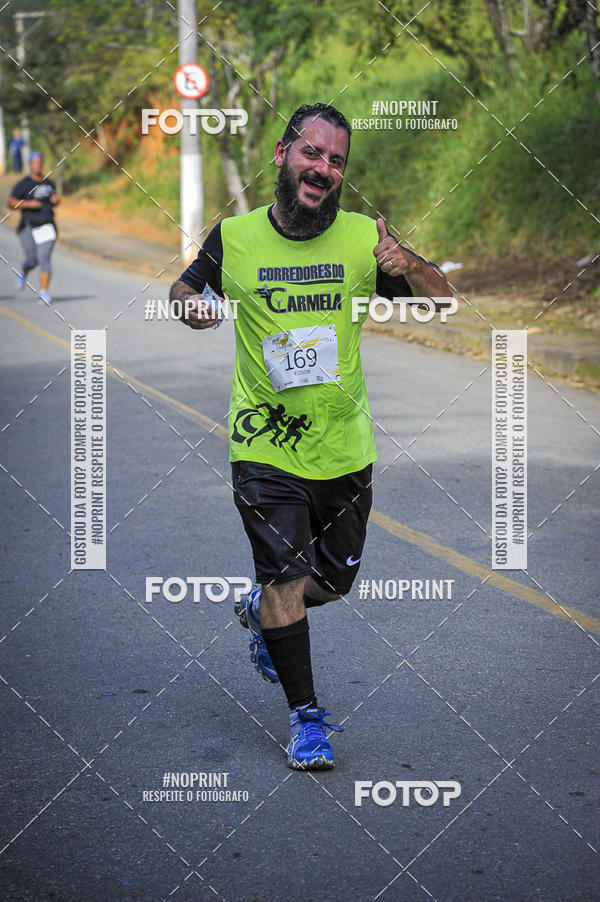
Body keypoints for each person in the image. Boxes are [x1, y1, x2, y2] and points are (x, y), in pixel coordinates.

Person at [169, 103, 451, 770]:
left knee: (333, 582)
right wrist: (197, 310)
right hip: (264, 442)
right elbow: (182, 289)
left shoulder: (362, 238)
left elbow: (443, 300)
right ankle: (306, 721)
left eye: (335, 161)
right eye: (311, 154)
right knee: (287, 576)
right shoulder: (235, 236)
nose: (322, 168)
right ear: (282, 155)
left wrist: (407, 260)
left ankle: (262, 608)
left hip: (345, 445)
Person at [8, 151, 59, 305]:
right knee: (32, 259)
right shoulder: (23, 184)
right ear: (30, 164)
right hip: (28, 226)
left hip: (47, 225)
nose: (37, 165)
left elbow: (54, 199)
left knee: (44, 257)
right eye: (34, 162)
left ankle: (43, 292)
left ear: (42, 164)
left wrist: (56, 200)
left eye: (39, 162)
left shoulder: (49, 183)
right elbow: (11, 202)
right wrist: (28, 204)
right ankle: (24, 270)